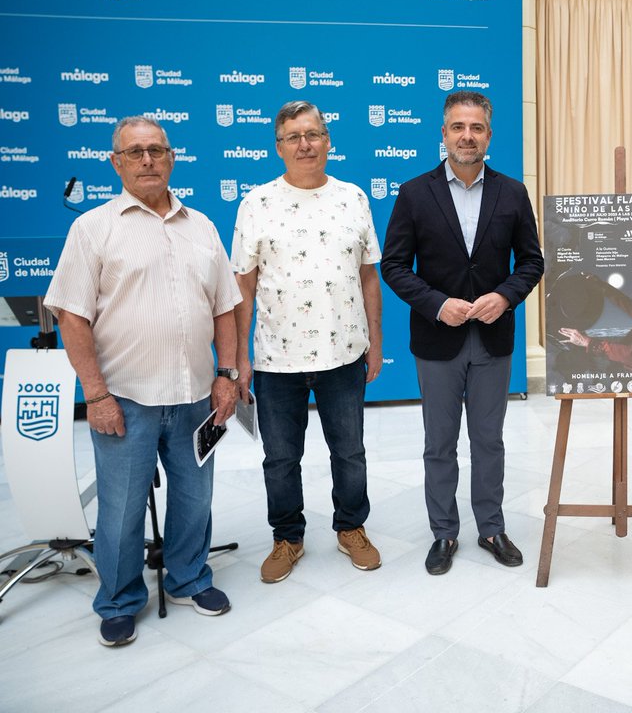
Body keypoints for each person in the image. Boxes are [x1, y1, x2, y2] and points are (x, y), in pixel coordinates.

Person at [44, 116, 240, 647]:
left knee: (195, 498)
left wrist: (227, 375)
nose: (148, 160)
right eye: (135, 152)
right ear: (116, 163)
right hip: (125, 399)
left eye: (156, 149)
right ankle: (119, 599)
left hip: (196, 395)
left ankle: (189, 578)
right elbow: (72, 318)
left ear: (172, 157)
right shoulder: (93, 228)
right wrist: (96, 394)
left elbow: (224, 308)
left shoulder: (202, 226)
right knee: (122, 508)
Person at [380, 91, 544, 576]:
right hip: (438, 340)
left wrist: (506, 296)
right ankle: (444, 532)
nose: (466, 136)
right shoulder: (415, 193)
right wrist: (436, 303)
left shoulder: (512, 193)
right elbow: (394, 265)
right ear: (444, 133)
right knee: (440, 442)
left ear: (489, 136)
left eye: (476, 128)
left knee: (489, 440)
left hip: (493, 338)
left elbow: (531, 261)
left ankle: (491, 527)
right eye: (458, 127)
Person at [231, 100, 384, 583]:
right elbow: (243, 286)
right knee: (280, 458)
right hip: (276, 358)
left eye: (313, 134)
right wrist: (239, 357)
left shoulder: (353, 198)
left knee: (350, 451)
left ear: (328, 141)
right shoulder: (256, 203)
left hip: (344, 354)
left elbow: (369, 277)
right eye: (293, 137)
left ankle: (351, 528)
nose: (305, 144)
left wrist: (376, 343)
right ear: (278, 147)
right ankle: (287, 537)